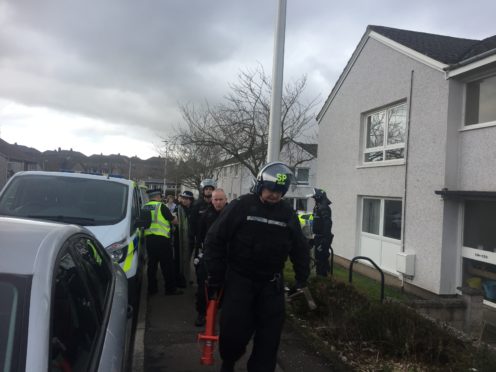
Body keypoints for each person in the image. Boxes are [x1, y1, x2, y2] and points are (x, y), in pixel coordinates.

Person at [204, 162, 310, 372]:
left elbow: (300, 247)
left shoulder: (287, 213)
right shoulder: (241, 206)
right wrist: (215, 275)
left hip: (271, 285)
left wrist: (302, 277)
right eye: (271, 189)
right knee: (233, 333)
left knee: (269, 339)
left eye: (280, 191)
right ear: (260, 185)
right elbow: (214, 239)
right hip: (240, 281)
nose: (274, 195)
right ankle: (229, 363)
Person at [194, 188, 228, 327]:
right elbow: (200, 235)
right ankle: (201, 313)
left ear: (225, 200)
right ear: (212, 200)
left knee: (227, 287)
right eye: (216, 200)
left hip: (227, 256)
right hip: (209, 255)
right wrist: (198, 254)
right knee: (203, 286)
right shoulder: (206, 214)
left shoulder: (232, 214)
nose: (218, 202)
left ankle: (224, 312)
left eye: (221, 200)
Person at [142, 189, 182, 295]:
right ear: (158, 196)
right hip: (162, 240)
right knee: (167, 266)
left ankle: (152, 289)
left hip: (149, 240)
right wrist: (175, 217)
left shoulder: (144, 207)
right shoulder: (161, 206)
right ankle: (170, 289)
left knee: (152, 265)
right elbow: (174, 221)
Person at [190, 178, 217, 272]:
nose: (208, 191)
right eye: (207, 189)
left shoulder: (217, 205)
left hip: (214, 240)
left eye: (210, 189)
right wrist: (193, 237)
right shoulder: (197, 205)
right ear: (203, 190)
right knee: (198, 262)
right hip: (200, 239)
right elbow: (192, 222)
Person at [309, 188, 334, 277]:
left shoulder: (324, 207)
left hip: (323, 238)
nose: (314, 199)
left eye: (315, 197)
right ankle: (321, 276)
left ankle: (323, 277)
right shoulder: (318, 206)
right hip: (318, 237)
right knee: (318, 258)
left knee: (321, 259)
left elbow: (328, 223)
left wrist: (324, 240)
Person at [174, 190, 195, 287]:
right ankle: (180, 280)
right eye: (183, 198)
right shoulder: (177, 209)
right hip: (179, 238)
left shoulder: (194, 209)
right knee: (179, 260)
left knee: (187, 259)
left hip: (190, 239)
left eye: (186, 198)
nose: (184, 200)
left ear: (191, 200)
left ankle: (185, 278)